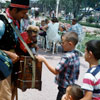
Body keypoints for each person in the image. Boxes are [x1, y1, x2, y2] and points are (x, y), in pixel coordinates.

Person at [36, 32, 80, 100]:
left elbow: (56, 71)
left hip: (64, 89)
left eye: (63, 42)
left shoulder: (67, 57)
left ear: (70, 44)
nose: (61, 45)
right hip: (71, 87)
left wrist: (44, 60)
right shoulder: (76, 54)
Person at [0, 0, 30, 99]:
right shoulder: (1, 23)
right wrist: (8, 54)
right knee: (5, 96)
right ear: (15, 10)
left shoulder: (17, 22)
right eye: (23, 13)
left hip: (12, 64)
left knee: (11, 92)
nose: (24, 16)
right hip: (2, 66)